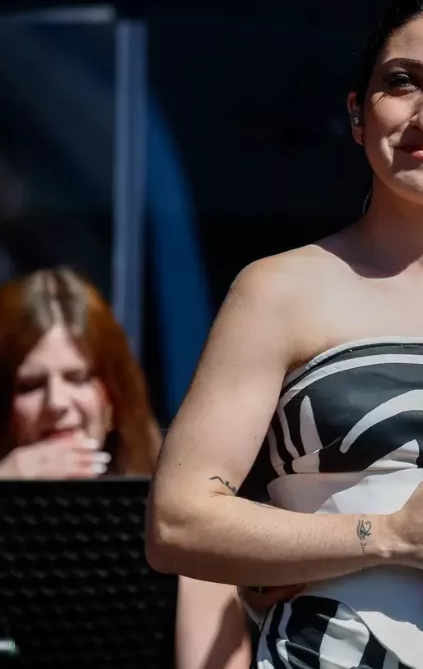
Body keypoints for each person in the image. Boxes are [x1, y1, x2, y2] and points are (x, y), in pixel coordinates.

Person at [145, 0, 423, 669]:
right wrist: (387, 535)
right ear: (358, 114)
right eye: (402, 82)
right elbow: (177, 520)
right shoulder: (278, 288)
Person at [0, 267, 251, 669]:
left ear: (113, 397)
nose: (57, 403)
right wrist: (9, 490)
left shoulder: (178, 513)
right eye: (30, 386)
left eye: (78, 378)